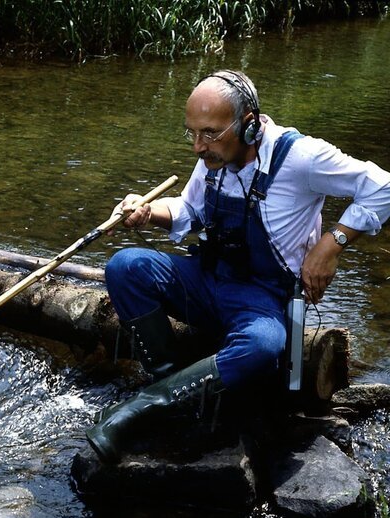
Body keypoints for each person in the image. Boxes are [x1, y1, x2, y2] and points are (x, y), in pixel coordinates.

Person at [86, 69, 390, 464]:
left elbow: (382, 186)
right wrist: (147, 211)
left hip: (260, 298)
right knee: (126, 267)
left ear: (248, 126)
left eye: (209, 133)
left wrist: (332, 245)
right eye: (192, 133)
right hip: (208, 277)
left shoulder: (301, 157)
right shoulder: (214, 156)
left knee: (263, 346)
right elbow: (190, 209)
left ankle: (143, 407)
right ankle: (170, 380)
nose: (198, 146)